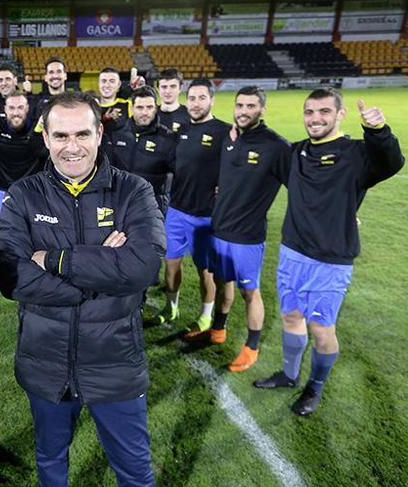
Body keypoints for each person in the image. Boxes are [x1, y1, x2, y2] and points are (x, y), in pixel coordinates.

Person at [0, 92, 164, 486]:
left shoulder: (133, 191)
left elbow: (143, 267)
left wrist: (55, 260)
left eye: (82, 134)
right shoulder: (23, 194)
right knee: (51, 462)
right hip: (46, 364)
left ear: (100, 133)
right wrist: (100, 276)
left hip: (115, 363)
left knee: (135, 472)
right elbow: (10, 274)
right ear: (46, 137)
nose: (72, 147)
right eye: (61, 135)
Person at [254, 89, 404, 416]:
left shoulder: (357, 154)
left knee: (322, 330)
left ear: (340, 114)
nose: (315, 118)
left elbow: (392, 162)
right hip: (292, 252)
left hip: (330, 261)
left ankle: (315, 387)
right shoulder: (295, 154)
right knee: (291, 316)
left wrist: (378, 131)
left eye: (324, 111)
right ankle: (290, 374)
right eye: (309, 112)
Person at [184, 87, 290, 374]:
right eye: (240, 105)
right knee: (221, 282)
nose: (244, 111)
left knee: (249, 292)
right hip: (219, 229)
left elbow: (301, 185)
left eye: (251, 106)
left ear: (262, 110)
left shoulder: (276, 146)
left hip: (247, 236)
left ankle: (252, 347)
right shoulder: (230, 139)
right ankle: (218, 330)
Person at [156, 79, 231, 333]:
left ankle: (206, 315)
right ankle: (171, 307)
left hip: (206, 216)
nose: (196, 103)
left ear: (212, 100)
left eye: (201, 98)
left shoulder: (226, 132)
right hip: (176, 210)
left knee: (205, 272)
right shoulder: (182, 130)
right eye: (192, 98)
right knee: (171, 265)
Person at [0, 90, 48, 247]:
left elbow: (43, 153)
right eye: (11, 108)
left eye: (20, 107)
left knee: (35, 232)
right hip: (2, 189)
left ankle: (30, 265)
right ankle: (1, 266)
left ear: (27, 108)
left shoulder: (38, 129)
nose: (16, 113)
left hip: (30, 190)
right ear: (4, 109)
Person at [107, 86, 178, 215]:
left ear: (155, 108)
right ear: (132, 108)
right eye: (140, 108)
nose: (145, 112)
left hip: (153, 207)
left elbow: (181, 175)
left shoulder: (168, 138)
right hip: (121, 204)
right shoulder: (118, 134)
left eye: (149, 107)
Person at [156, 68, 190, 134]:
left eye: (173, 86)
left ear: (180, 88)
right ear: (158, 89)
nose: (168, 91)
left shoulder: (190, 115)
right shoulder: (150, 115)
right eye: (164, 87)